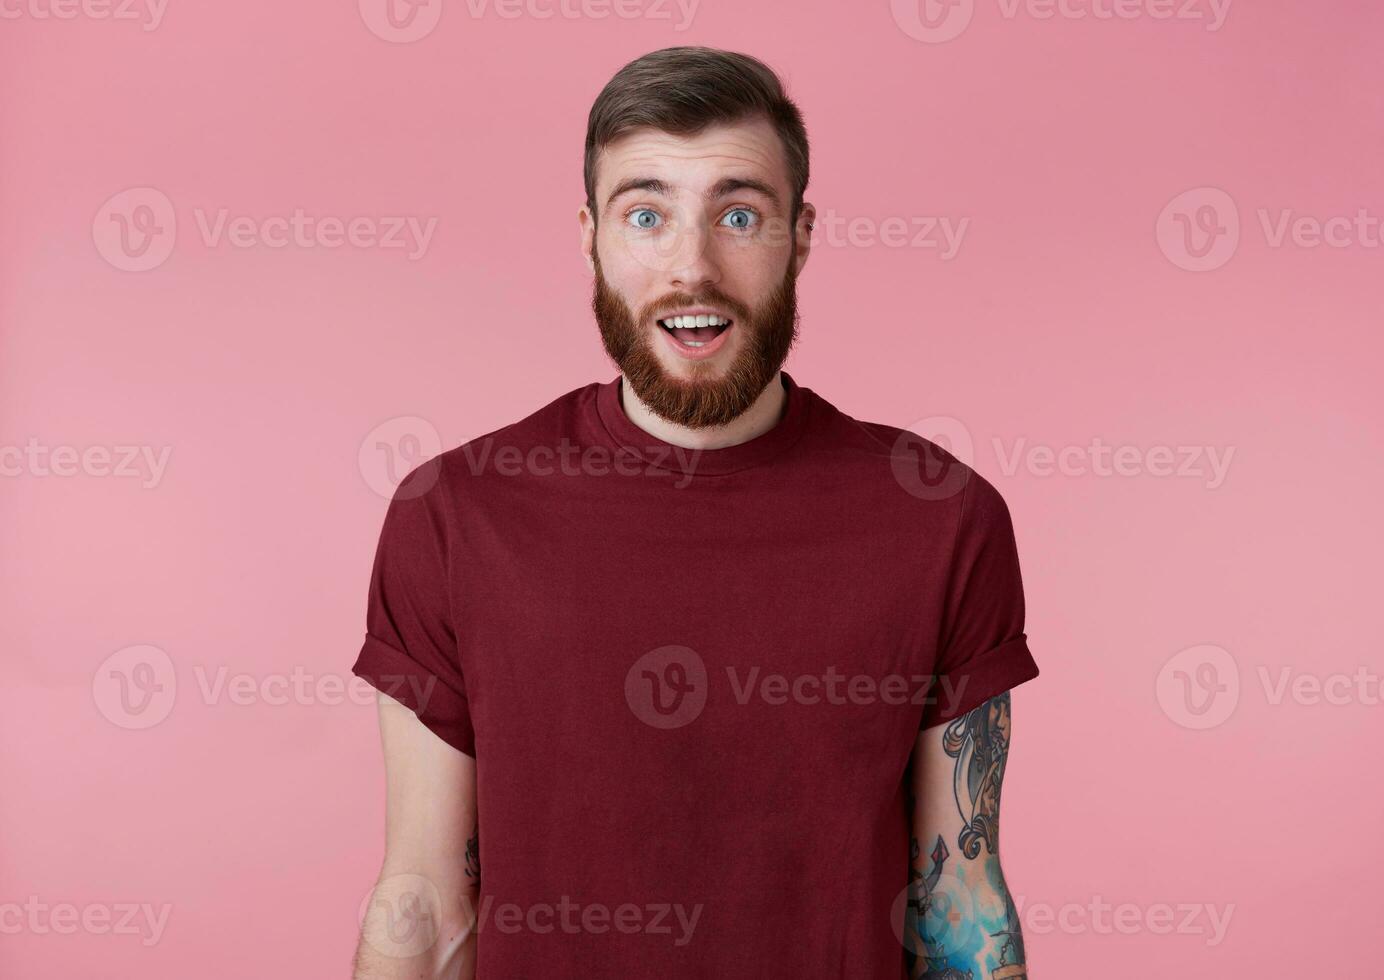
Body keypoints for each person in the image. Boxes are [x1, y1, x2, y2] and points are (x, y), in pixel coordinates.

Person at [351, 45, 1039, 979]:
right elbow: (427, 905)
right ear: (590, 235)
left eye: (740, 215)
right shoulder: (454, 515)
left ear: (800, 236)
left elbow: (959, 901)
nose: (693, 268)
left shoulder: (943, 519)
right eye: (646, 215)